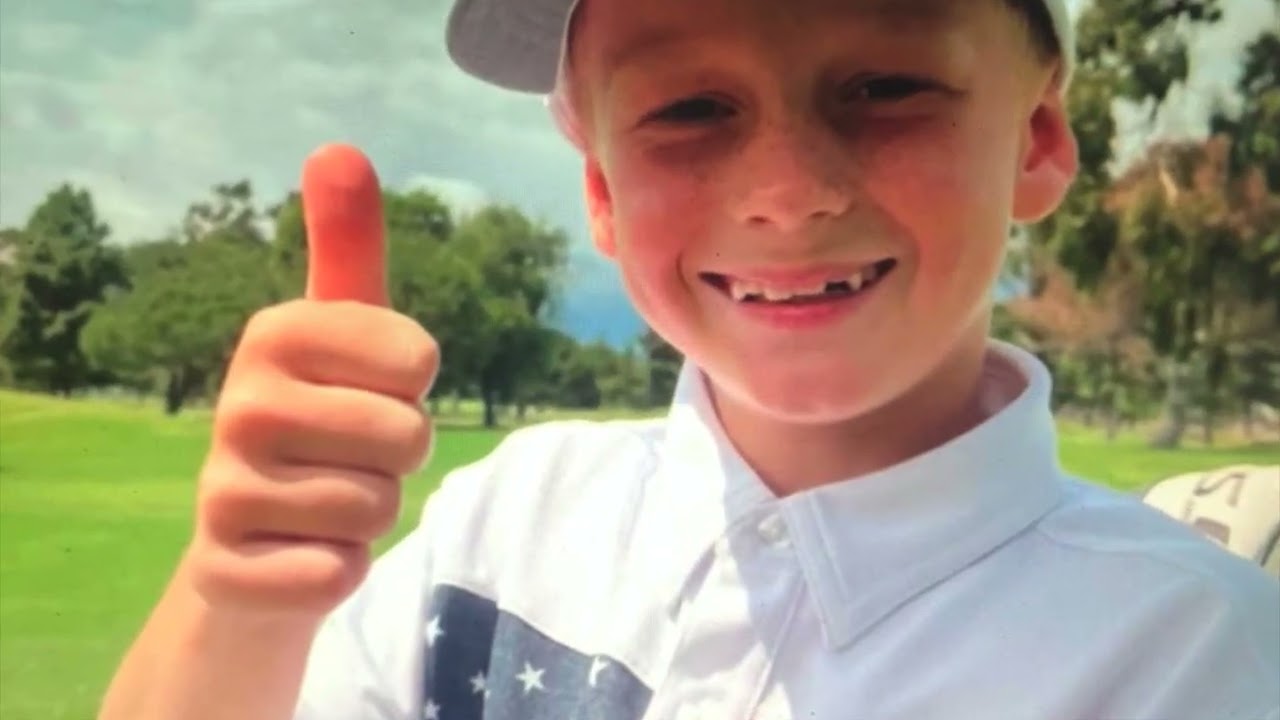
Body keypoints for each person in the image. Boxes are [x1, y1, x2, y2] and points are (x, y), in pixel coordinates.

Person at [98, 0, 1280, 718]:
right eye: (686, 109)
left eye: (884, 87)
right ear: (600, 192)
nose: (786, 192)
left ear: (1034, 138)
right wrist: (234, 602)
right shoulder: (503, 523)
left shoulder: (1190, 649)